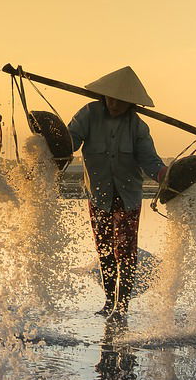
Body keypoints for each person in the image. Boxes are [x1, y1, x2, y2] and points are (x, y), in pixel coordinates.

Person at [66, 67, 167, 317]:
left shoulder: (137, 127)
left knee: (126, 253)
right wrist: (51, 142)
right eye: (110, 98)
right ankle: (109, 302)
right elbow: (70, 141)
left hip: (127, 196)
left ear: (130, 103)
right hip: (98, 196)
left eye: (120, 101)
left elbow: (150, 161)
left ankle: (122, 307)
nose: (114, 104)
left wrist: (164, 175)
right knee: (104, 250)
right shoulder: (88, 115)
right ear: (104, 96)